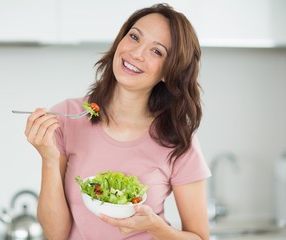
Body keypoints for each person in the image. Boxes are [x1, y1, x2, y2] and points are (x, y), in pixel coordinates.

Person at [24, 3, 211, 240]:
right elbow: (55, 234)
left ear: (168, 72)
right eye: (134, 37)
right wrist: (49, 159)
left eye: (157, 51)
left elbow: (200, 238)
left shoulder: (178, 139)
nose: (136, 53)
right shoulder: (67, 116)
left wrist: (156, 227)